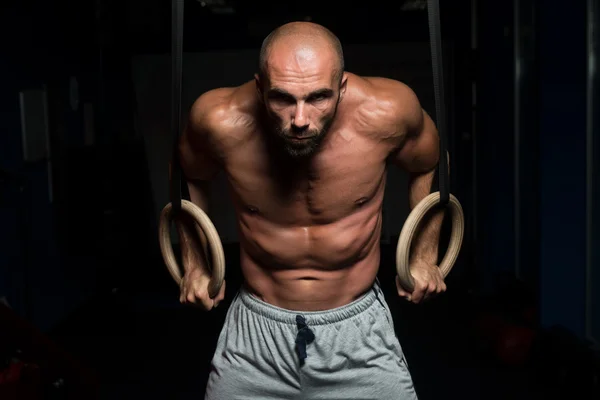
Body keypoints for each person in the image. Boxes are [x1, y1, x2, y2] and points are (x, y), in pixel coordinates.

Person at [176, 21, 446, 400]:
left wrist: (423, 253)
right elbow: (185, 175)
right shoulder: (219, 121)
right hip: (255, 338)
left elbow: (431, 163)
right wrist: (194, 261)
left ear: (343, 86)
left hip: (360, 335)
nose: (300, 119)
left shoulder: (387, 112)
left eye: (319, 97)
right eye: (282, 98)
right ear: (259, 87)